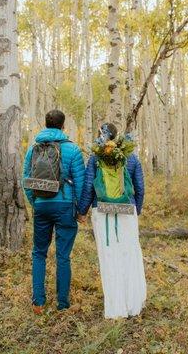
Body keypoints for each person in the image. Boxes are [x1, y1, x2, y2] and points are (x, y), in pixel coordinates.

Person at [78, 123, 147, 319]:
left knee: (109, 257)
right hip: (127, 211)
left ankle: (115, 308)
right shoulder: (131, 157)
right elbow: (140, 188)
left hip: (102, 211)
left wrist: (82, 211)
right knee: (129, 255)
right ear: (117, 137)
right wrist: (136, 209)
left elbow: (89, 187)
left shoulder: (95, 157)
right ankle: (133, 305)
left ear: (101, 136)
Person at [22, 110, 85, 314]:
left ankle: (38, 302)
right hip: (65, 206)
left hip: (42, 205)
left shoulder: (33, 149)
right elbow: (81, 183)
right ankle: (63, 305)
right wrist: (81, 210)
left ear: (46, 124)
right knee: (63, 255)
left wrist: (36, 201)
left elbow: (26, 179)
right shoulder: (73, 150)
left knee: (39, 253)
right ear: (63, 126)